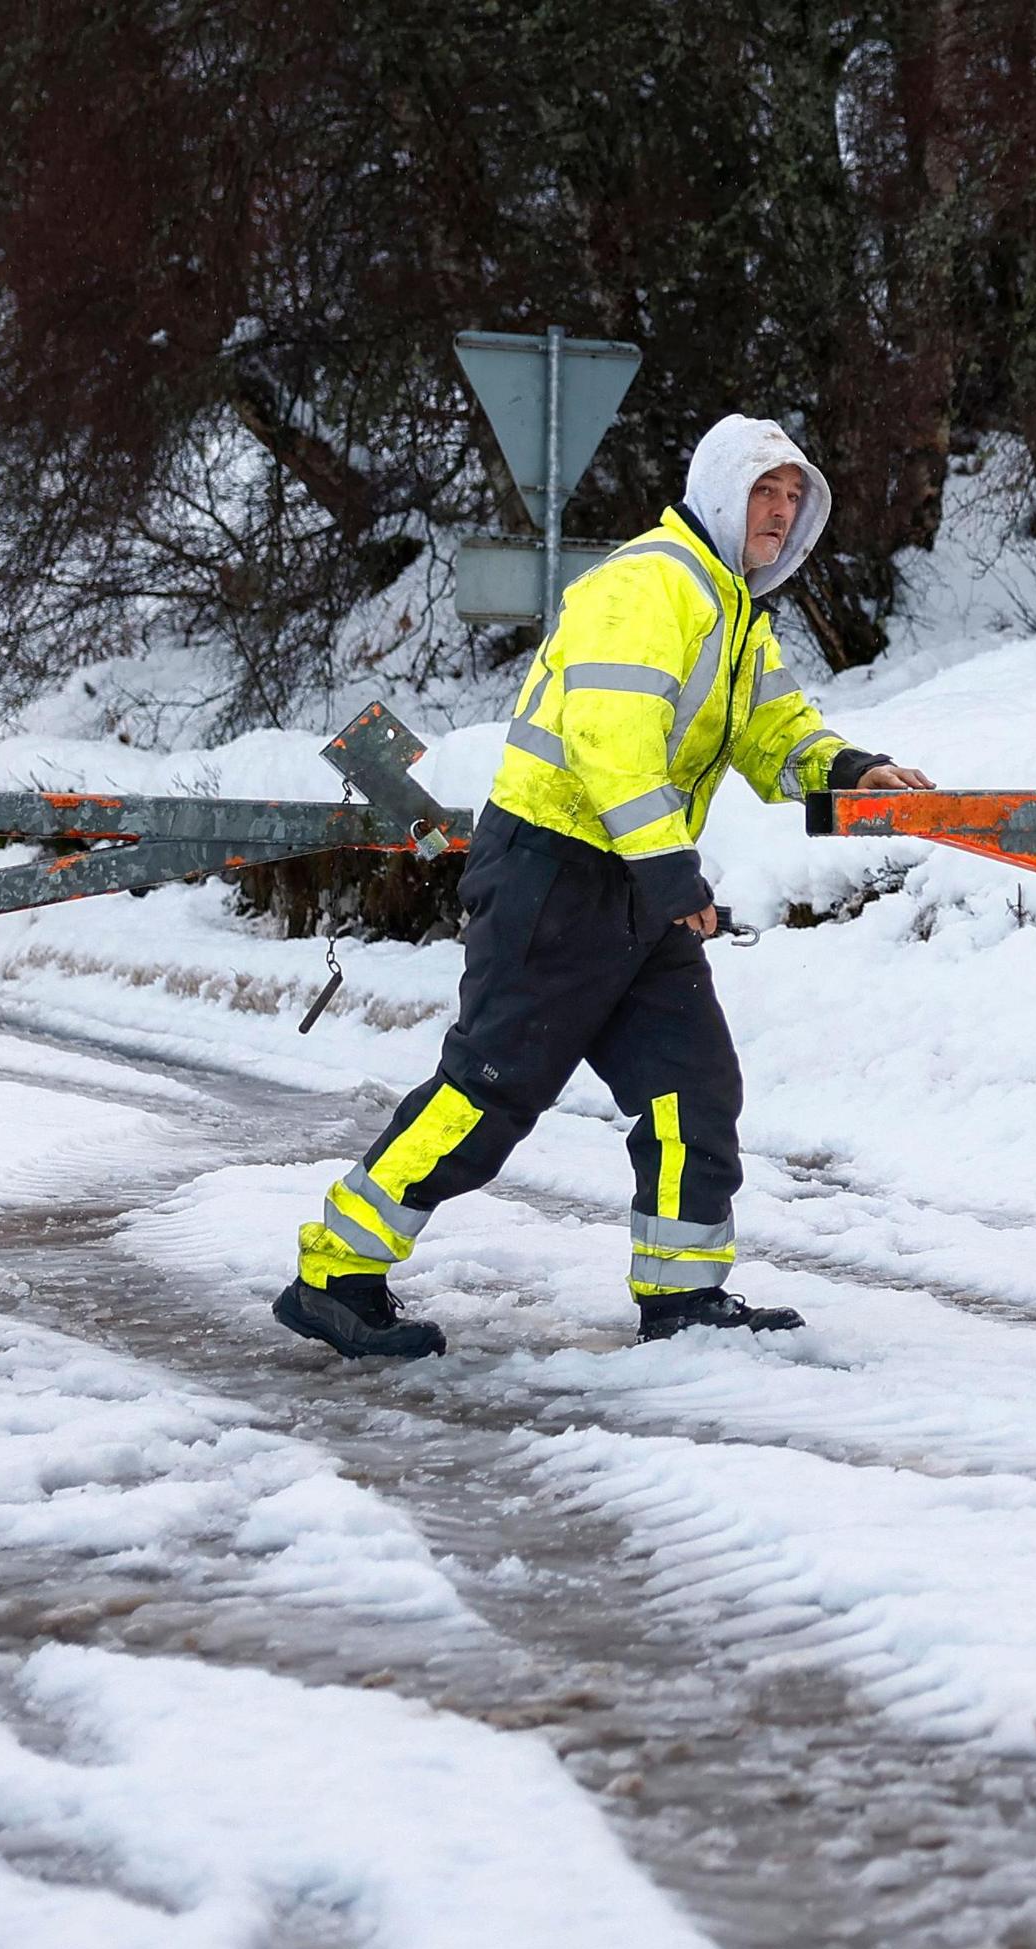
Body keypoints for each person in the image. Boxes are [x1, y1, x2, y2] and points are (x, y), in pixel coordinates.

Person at [274, 414, 930, 1359]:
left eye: (794, 499)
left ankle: (682, 1299)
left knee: (690, 1088)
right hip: (555, 869)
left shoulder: (734, 609)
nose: (781, 514)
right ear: (719, 490)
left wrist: (848, 767)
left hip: (631, 882)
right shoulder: (648, 582)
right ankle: (335, 1269)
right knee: (485, 1096)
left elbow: (775, 730)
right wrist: (673, 874)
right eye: (766, 492)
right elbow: (611, 743)